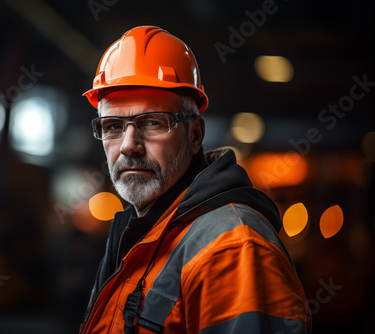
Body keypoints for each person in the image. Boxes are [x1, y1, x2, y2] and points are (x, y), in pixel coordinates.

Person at [80, 25, 311, 334]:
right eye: (113, 126)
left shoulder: (232, 248)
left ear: (195, 135)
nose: (128, 145)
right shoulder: (138, 237)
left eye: (152, 122)